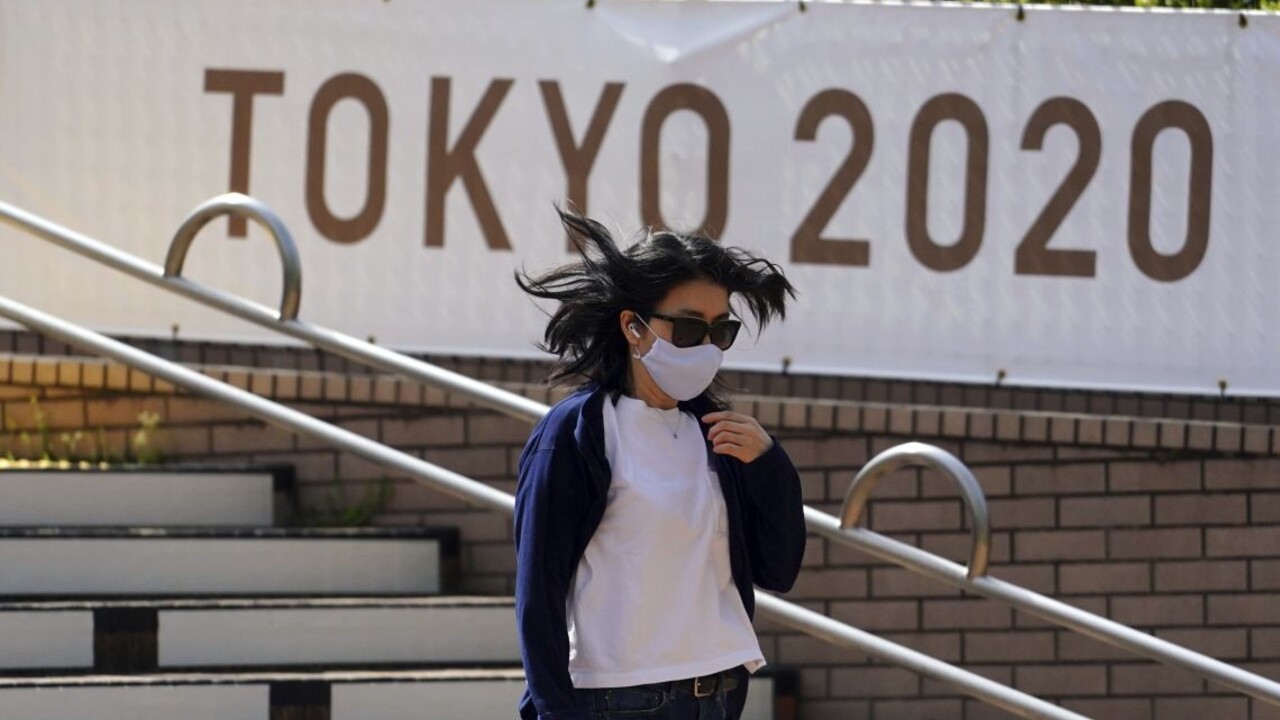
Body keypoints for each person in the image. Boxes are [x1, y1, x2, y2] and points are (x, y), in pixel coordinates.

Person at [512, 210, 806, 720]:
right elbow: (538, 592)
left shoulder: (717, 434)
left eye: (721, 331)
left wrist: (770, 468)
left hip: (717, 693)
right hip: (618, 699)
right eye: (689, 328)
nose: (707, 347)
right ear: (633, 326)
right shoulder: (578, 433)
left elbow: (778, 571)